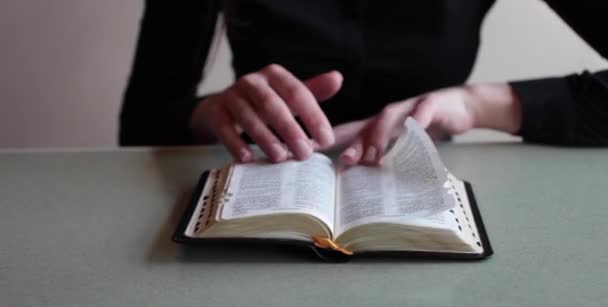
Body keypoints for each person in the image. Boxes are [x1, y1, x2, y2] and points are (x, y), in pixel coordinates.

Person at [120, 1, 608, 166]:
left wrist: (480, 105)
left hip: (422, 205)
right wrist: (212, 113)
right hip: (257, 192)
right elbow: (144, 119)